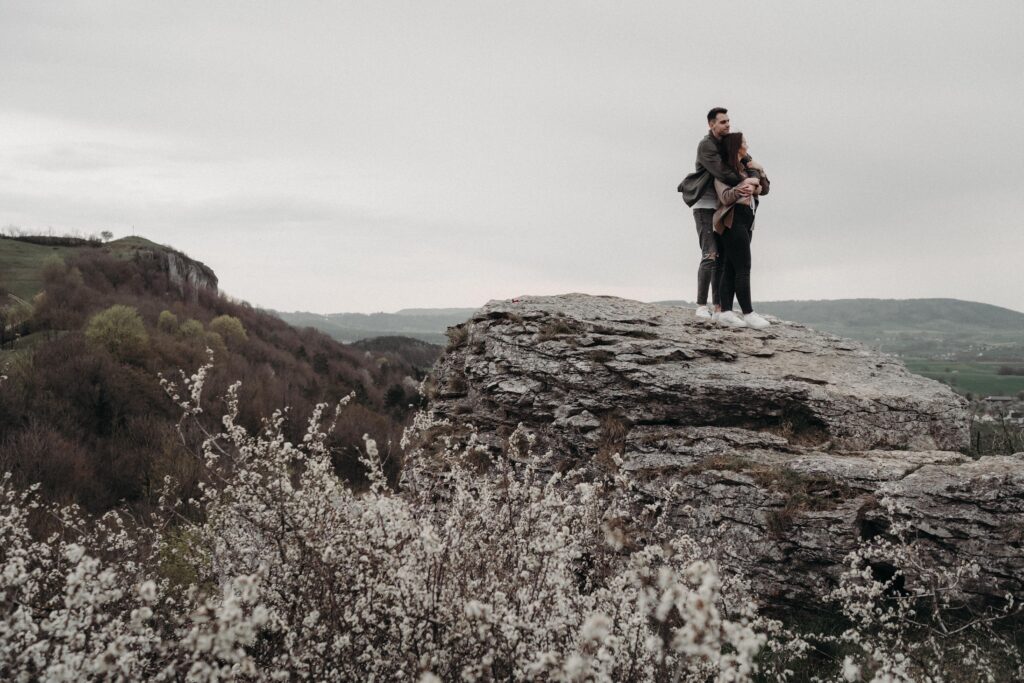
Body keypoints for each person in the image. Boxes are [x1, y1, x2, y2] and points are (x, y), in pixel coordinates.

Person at [679, 108, 753, 319]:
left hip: (721, 206)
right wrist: (745, 181)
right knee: (710, 253)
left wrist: (752, 171)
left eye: (728, 121)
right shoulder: (707, 145)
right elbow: (722, 172)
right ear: (712, 124)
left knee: (721, 257)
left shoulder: (725, 142)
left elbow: (745, 157)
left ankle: (719, 306)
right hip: (704, 204)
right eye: (722, 122)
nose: (727, 125)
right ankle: (702, 305)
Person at [712, 132, 771, 329]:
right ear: (736, 147)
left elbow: (766, 188)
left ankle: (726, 312)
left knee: (730, 266)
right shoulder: (724, 170)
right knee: (743, 267)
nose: (747, 144)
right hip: (733, 219)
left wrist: (758, 173)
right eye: (744, 142)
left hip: (747, 220)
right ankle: (748, 313)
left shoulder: (747, 168)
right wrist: (741, 189)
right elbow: (725, 197)